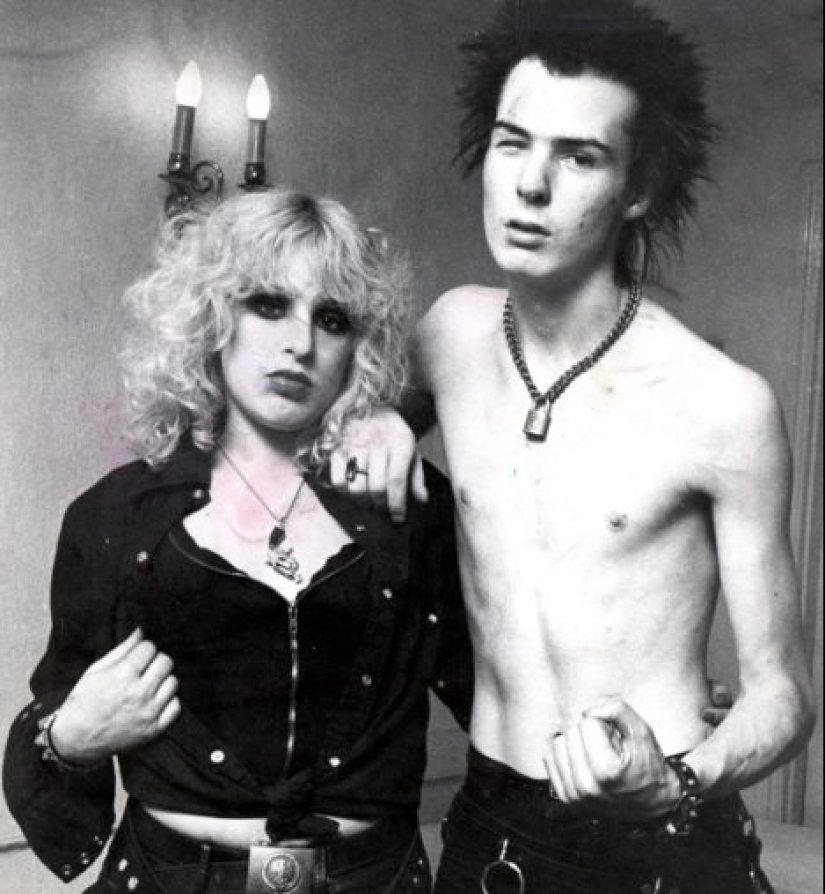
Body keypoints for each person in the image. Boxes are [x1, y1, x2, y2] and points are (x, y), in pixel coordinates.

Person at [331, 1, 816, 891]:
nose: (530, 184)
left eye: (579, 156)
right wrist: (381, 417)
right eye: (512, 143)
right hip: (488, 817)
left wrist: (675, 782)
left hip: (659, 832)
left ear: (638, 188)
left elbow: (782, 695)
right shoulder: (448, 335)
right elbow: (334, 427)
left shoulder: (721, 403)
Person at [3, 190, 472, 893]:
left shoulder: (412, 506)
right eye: (269, 305)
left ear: (358, 346)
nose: (299, 343)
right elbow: (57, 715)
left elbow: (497, 699)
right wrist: (68, 738)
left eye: (332, 319)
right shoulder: (116, 516)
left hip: (374, 879)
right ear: (212, 314)